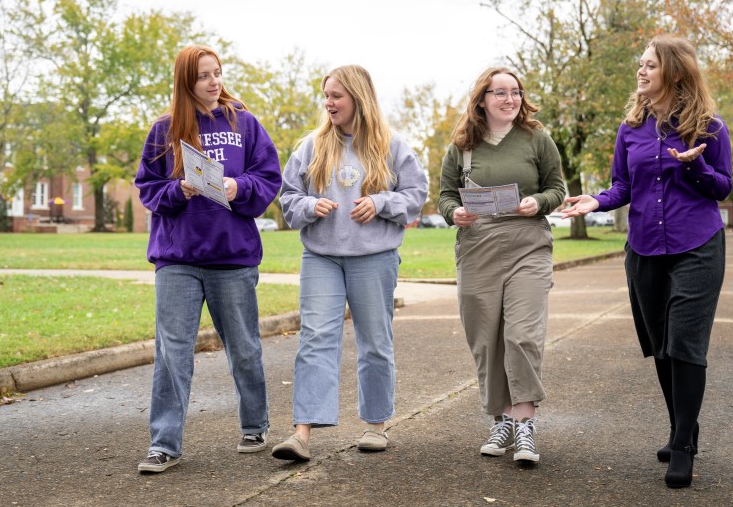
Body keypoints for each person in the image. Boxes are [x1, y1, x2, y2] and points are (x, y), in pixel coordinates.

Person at [561, 34, 732, 488]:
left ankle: (682, 446)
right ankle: (683, 424)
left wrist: (694, 165)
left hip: (697, 245)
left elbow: (723, 187)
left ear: (674, 73)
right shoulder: (630, 128)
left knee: (685, 343)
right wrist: (594, 203)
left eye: (650, 65)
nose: (641, 71)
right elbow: (622, 187)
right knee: (660, 344)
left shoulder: (710, 126)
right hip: (644, 249)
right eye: (640, 64)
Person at [134, 45, 282, 474]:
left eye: (217, 73)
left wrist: (238, 188)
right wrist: (179, 190)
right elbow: (148, 189)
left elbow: (268, 176)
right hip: (177, 257)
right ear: (186, 81)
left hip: (232, 257)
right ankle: (164, 444)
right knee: (172, 352)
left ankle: (254, 426)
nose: (214, 82)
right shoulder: (165, 130)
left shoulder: (245, 124)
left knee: (245, 348)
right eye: (203, 76)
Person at [271, 65, 428, 461]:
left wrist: (380, 202)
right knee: (315, 339)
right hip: (321, 256)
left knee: (375, 342)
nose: (329, 103)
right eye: (326, 96)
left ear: (358, 98)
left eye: (336, 96)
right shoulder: (311, 146)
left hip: (374, 258)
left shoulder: (391, 145)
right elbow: (288, 199)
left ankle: (376, 426)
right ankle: (302, 434)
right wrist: (309, 205)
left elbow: (416, 194)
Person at [438, 66, 565, 465]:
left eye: (516, 92)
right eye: (500, 93)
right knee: (487, 340)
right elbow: (443, 196)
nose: (510, 99)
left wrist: (538, 203)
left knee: (522, 335)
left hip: (528, 245)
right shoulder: (461, 147)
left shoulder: (537, 139)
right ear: (482, 99)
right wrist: (454, 212)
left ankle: (525, 423)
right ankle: (503, 419)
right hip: (478, 249)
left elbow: (557, 189)